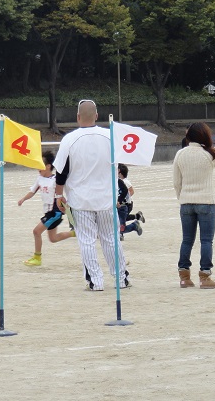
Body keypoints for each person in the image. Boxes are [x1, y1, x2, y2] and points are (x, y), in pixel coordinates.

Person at [53, 99, 130, 291]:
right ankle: (121, 279)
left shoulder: (69, 139)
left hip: (80, 200)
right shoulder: (111, 136)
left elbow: (61, 172)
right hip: (106, 199)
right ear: (96, 115)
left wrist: (58, 196)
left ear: (78, 117)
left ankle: (96, 281)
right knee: (110, 239)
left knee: (86, 241)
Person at [172, 122, 215, 289]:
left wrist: (181, 197)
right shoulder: (208, 153)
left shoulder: (180, 154)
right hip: (206, 201)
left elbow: (176, 182)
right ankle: (205, 276)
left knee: (187, 240)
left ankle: (184, 276)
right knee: (206, 241)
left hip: (186, 202)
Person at [18, 150, 75, 266]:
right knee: (53, 238)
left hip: (55, 213)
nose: (38, 168)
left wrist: (67, 207)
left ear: (48, 166)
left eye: (41, 165)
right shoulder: (39, 179)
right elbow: (32, 191)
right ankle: (75, 233)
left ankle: (37, 258)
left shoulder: (55, 180)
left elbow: (62, 195)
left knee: (36, 231)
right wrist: (23, 199)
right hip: (47, 213)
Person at [117, 163, 145, 241]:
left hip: (126, 204)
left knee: (121, 221)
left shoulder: (125, 182)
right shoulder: (119, 181)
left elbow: (131, 191)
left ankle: (126, 230)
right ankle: (137, 217)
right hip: (122, 205)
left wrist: (125, 199)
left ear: (119, 171)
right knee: (121, 220)